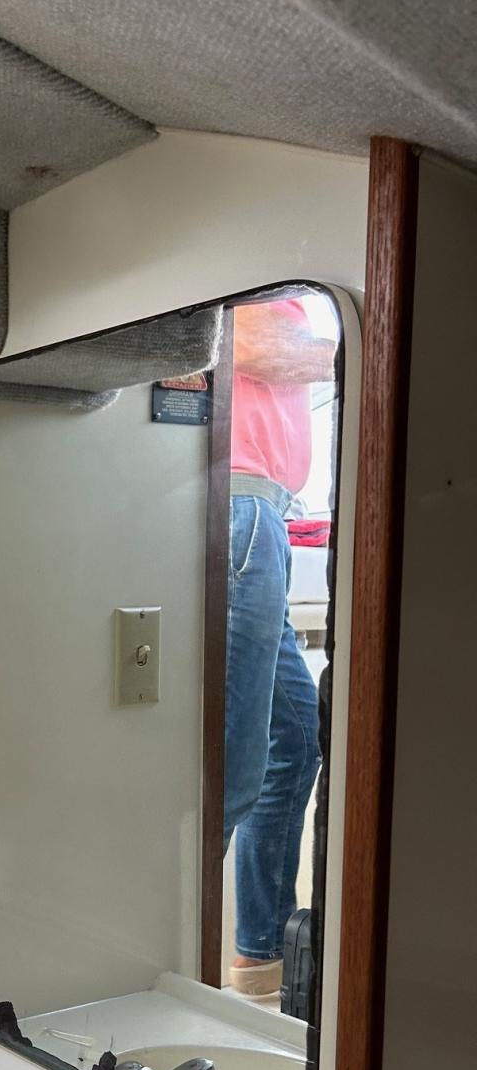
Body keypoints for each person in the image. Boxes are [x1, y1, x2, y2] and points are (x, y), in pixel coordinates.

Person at [223, 296, 337, 999]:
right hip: (242, 509)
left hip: (262, 513)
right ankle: (166, 958)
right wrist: (362, 346)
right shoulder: (253, 279)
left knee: (293, 738)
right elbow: (256, 344)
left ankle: (260, 959)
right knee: (231, 769)